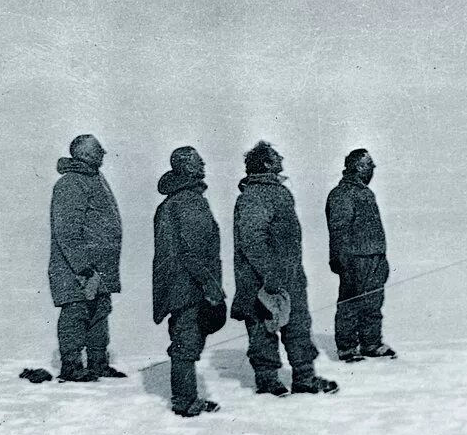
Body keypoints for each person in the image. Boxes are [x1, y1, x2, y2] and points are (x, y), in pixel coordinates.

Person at [230, 141, 338, 396]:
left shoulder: (279, 192)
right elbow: (253, 239)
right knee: (262, 329)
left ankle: (305, 378)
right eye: (276, 155)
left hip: (289, 277)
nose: (282, 158)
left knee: (299, 325)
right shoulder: (254, 195)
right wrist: (269, 274)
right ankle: (267, 382)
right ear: (266, 163)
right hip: (260, 280)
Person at [153, 146, 224, 417]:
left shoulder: (172, 201)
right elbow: (193, 253)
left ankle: (187, 397)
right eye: (197, 160)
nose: (203, 163)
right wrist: (211, 286)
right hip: (188, 287)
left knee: (186, 340)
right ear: (186, 167)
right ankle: (185, 401)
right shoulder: (189, 201)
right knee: (186, 343)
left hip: (178, 286)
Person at [48, 134, 125, 382]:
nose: (103, 151)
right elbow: (67, 231)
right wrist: (84, 268)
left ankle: (98, 364)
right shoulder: (71, 183)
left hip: (97, 268)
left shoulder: (94, 179)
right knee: (76, 312)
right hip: (77, 270)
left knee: (100, 312)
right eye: (98, 148)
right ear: (85, 154)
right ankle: (71, 366)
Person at [325, 148, 396, 362]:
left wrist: (380, 256)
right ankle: (347, 348)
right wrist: (342, 260)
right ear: (357, 167)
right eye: (369, 165)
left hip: (374, 256)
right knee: (350, 302)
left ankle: (371, 343)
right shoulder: (342, 193)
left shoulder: (365, 192)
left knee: (373, 302)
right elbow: (339, 229)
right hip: (354, 258)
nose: (372, 169)